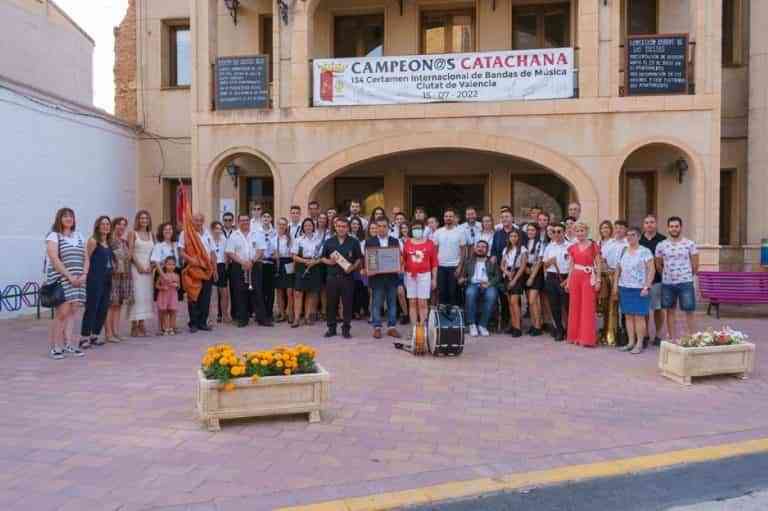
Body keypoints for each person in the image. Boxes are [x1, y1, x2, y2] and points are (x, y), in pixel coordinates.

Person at [45, 208, 87, 359]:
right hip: (62, 279)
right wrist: (69, 276)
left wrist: (84, 275)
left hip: (78, 279)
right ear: (59, 219)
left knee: (73, 311)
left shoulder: (79, 236)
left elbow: (86, 257)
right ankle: (55, 346)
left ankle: (69, 344)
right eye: (65, 216)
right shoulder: (54, 236)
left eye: (71, 216)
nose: (69, 219)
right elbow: (54, 259)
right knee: (62, 312)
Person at [655, 216, 699, 341]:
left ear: (681, 227)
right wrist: (666, 275)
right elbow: (658, 264)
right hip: (668, 283)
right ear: (668, 228)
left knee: (689, 310)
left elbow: (695, 264)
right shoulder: (661, 245)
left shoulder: (690, 244)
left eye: (676, 226)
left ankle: (692, 339)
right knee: (670, 311)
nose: (674, 229)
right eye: (671, 226)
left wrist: (686, 275)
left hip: (685, 282)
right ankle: (672, 338)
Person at [613, 227, 655, 354]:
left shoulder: (645, 251)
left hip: (639, 288)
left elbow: (651, 270)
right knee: (628, 316)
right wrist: (615, 285)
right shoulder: (623, 250)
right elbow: (618, 269)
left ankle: (639, 343)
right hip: (625, 287)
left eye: (633, 235)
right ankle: (630, 342)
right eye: (628, 235)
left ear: (639, 237)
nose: (630, 237)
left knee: (639, 317)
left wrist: (647, 286)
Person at [321, 218, 363, 338]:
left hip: (347, 277)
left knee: (347, 304)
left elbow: (359, 258)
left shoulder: (354, 242)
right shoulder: (329, 242)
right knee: (331, 304)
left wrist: (352, 267)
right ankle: (331, 328)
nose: (341, 228)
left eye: (344, 226)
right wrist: (329, 262)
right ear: (335, 227)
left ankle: (346, 328)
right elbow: (322, 257)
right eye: (339, 226)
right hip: (332, 277)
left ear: (348, 228)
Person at [225, 214, 268, 328]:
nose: (245, 222)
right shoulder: (234, 235)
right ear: (238, 222)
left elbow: (261, 250)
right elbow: (230, 252)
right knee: (240, 292)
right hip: (239, 266)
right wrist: (243, 262)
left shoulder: (257, 234)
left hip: (255, 264)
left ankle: (261, 318)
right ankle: (242, 319)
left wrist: (252, 261)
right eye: (242, 220)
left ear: (250, 221)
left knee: (257, 291)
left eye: (247, 220)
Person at [79, 216, 115, 349]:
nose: (105, 226)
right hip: (95, 278)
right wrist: (84, 275)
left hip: (107, 278)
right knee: (92, 307)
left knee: (103, 307)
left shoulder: (108, 242)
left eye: (108, 224)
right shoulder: (93, 241)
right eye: (103, 224)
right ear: (98, 226)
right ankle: (84, 337)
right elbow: (86, 259)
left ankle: (94, 335)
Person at [565, 222, 601, 347]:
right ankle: (574, 336)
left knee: (588, 307)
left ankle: (587, 338)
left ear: (587, 231)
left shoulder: (593, 246)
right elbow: (571, 266)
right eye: (577, 231)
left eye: (582, 230)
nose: (580, 233)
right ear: (575, 233)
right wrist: (568, 282)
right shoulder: (572, 247)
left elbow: (598, 264)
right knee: (575, 306)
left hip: (588, 277)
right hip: (575, 277)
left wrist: (598, 280)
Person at [365, 218, 402, 339]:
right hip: (376, 278)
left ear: (388, 228)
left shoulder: (395, 241)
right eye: (379, 226)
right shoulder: (370, 242)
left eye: (384, 226)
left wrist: (399, 266)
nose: (382, 228)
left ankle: (392, 327)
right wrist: (369, 269)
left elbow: (399, 257)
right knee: (376, 304)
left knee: (392, 303)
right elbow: (368, 258)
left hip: (392, 277)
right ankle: (377, 327)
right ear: (376, 228)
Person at [179, 213, 216, 332]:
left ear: (203, 221)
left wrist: (214, 269)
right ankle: (193, 323)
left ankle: (202, 322)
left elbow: (212, 252)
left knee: (206, 297)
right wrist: (191, 260)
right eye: (196, 220)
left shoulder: (208, 234)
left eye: (200, 220)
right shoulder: (185, 233)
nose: (198, 222)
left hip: (207, 268)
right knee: (193, 296)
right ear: (192, 221)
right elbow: (181, 251)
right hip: (193, 268)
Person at [459, 240, 501, 337]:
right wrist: (462, 279)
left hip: (488, 284)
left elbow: (498, 276)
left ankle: (483, 325)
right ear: (475, 248)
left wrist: (489, 283)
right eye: (478, 247)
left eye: (483, 247)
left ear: (487, 249)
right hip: (473, 284)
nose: (480, 249)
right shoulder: (469, 261)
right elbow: (463, 275)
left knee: (491, 295)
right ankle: (472, 324)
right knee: (470, 293)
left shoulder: (492, 261)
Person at [403, 220, 438, 330]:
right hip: (410, 276)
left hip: (425, 276)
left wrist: (434, 279)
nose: (416, 230)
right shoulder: (407, 243)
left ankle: (423, 328)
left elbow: (434, 263)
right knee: (412, 302)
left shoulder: (430, 243)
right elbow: (403, 260)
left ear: (423, 229)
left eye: (419, 228)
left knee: (422, 302)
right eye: (414, 228)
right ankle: (414, 329)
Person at [639, 214, 666, 346]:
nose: (649, 225)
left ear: (656, 224)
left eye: (652, 222)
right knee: (644, 309)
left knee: (658, 308)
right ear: (643, 225)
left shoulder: (663, 240)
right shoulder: (639, 239)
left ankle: (658, 335)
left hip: (658, 280)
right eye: (646, 222)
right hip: (641, 280)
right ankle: (645, 335)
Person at [292, 218, 323, 327]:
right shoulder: (298, 240)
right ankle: (296, 318)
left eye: (310, 225)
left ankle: (307, 317)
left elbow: (321, 257)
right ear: (303, 227)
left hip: (314, 266)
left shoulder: (318, 240)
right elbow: (294, 256)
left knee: (310, 293)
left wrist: (314, 262)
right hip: (301, 266)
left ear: (313, 227)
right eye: (305, 225)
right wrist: (305, 261)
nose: (308, 227)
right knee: (298, 293)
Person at [601, 220, 628, 346]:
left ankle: (624, 333)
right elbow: (602, 259)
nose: (618, 230)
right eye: (616, 227)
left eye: (621, 228)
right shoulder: (608, 243)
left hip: (624, 277)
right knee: (610, 306)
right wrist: (606, 269)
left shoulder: (628, 243)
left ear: (625, 230)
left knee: (624, 307)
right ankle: (611, 332)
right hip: (609, 276)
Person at [128, 210, 155, 337]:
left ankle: (142, 323)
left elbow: (154, 252)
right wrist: (138, 266)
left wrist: (151, 266)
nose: (144, 220)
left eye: (146, 218)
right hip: (136, 268)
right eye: (142, 218)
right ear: (138, 220)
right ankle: (134, 324)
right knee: (137, 296)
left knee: (146, 296)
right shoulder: (132, 233)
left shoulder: (152, 234)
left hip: (148, 269)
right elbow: (131, 251)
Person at [543, 223, 571, 341]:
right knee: (554, 306)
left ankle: (570, 330)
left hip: (565, 277)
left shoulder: (570, 246)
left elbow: (573, 265)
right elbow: (544, 265)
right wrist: (550, 261)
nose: (556, 234)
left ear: (564, 232)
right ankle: (559, 329)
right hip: (551, 277)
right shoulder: (549, 247)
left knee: (567, 306)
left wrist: (568, 280)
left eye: (559, 231)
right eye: (554, 232)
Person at [151, 222, 181, 333]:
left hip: (175, 273)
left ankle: (172, 326)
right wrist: (163, 276)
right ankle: (161, 327)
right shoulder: (159, 245)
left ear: (173, 231)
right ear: (161, 232)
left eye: (170, 229)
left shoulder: (176, 244)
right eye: (165, 229)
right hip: (162, 273)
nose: (168, 231)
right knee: (162, 304)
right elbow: (156, 261)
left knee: (173, 303)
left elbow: (179, 260)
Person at [105, 217, 131, 343]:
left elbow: (127, 258)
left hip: (123, 276)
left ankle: (116, 332)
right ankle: (108, 334)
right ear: (114, 225)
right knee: (111, 305)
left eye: (124, 225)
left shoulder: (124, 242)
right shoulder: (109, 241)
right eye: (119, 224)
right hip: (112, 277)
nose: (122, 227)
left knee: (118, 305)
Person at [433, 209, 466, 306]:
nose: (448, 218)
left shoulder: (460, 232)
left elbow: (463, 251)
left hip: (454, 266)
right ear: (443, 218)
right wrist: (435, 267)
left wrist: (460, 267)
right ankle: (443, 312)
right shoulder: (438, 232)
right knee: (442, 292)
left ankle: (454, 313)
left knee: (454, 292)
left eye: (450, 216)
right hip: (441, 266)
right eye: (446, 216)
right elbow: (435, 251)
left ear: (454, 218)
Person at [502, 229, 528, 337]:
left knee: (514, 302)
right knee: (509, 302)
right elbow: (502, 264)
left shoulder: (522, 249)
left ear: (519, 238)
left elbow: (523, 266)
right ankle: (513, 325)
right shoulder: (506, 249)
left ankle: (518, 327)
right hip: (508, 274)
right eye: (511, 236)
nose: (513, 238)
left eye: (515, 236)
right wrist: (506, 272)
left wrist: (514, 280)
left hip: (517, 275)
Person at [523, 223, 544, 336]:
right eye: (528, 230)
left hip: (536, 272)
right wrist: (525, 268)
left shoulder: (540, 243)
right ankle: (534, 324)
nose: (530, 232)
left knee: (533, 300)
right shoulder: (525, 243)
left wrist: (532, 276)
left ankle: (538, 326)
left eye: (532, 230)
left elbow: (540, 261)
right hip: (526, 270)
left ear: (537, 232)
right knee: (531, 301)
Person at [273, 217, 295, 323]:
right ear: (277, 225)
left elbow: (293, 253)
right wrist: (274, 255)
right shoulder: (273, 239)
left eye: (284, 224)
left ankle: (290, 313)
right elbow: (269, 253)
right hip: (278, 264)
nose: (281, 226)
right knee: (279, 291)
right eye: (280, 224)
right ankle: (282, 314)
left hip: (288, 263)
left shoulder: (290, 239)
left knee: (289, 291)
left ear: (286, 226)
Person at [210, 221, 231, 323]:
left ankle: (225, 315)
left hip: (222, 266)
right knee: (211, 294)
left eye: (219, 229)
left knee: (224, 293)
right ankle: (210, 317)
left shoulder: (224, 239)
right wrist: (214, 270)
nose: (218, 231)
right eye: (216, 228)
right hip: (211, 266)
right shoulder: (208, 239)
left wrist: (226, 266)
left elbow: (226, 253)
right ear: (212, 229)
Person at [156, 256, 180, 336]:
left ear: (175, 266)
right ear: (165, 265)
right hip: (164, 296)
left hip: (172, 296)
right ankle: (165, 328)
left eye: (173, 264)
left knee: (172, 312)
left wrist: (176, 285)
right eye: (169, 264)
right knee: (165, 312)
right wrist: (162, 288)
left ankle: (172, 328)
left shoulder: (176, 275)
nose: (171, 266)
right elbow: (156, 285)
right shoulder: (162, 275)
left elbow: (179, 287)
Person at [260, 212, 277, 323]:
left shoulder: (274, 232)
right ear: (261, 219)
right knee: (260, 289)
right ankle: (261, 313)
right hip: (260, 263)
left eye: (268, 216)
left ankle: (269, 313)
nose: (266, 218)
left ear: (271, 219)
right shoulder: (256, 231)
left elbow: (276, 247)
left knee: (270, 290)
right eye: (264, 217)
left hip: (270, 263)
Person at [397, 221, 410, 324]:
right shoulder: (397, 241)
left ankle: (413, 313)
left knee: (411, 294)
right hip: (401, 270)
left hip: (412, 270)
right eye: (402, 228)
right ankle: (405, 314)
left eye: (406, 228)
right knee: (400, 292)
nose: (404, 230)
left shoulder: (414, 240)